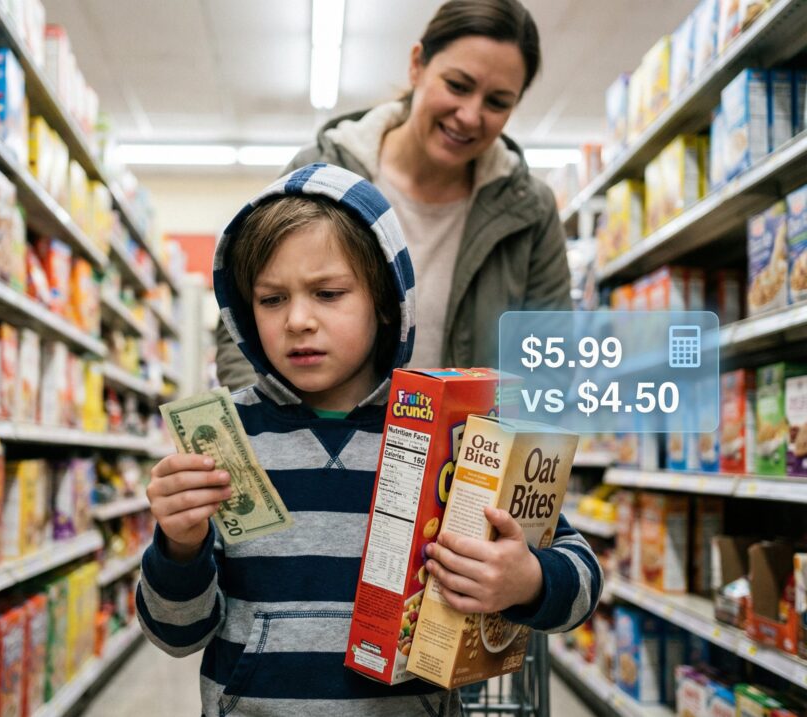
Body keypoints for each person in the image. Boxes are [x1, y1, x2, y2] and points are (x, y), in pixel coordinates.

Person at [138, 163, 602, 716]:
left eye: (328, 293)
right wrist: (179, 546)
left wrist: (526, 580)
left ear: (385, 303)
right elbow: (175, 635)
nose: (298, 321)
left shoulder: (450, 432)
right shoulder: (223, 443)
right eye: (271, 299)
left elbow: (580, 577)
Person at [216, 0, 571, 390]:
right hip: (325, 442)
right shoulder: (322, 171)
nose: (470, 115)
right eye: (457, 85)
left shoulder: (529, 210)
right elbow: (243, 318)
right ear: (417, 64)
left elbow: (549, 360)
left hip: (466, 447)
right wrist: (264, 431)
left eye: (497, 102)